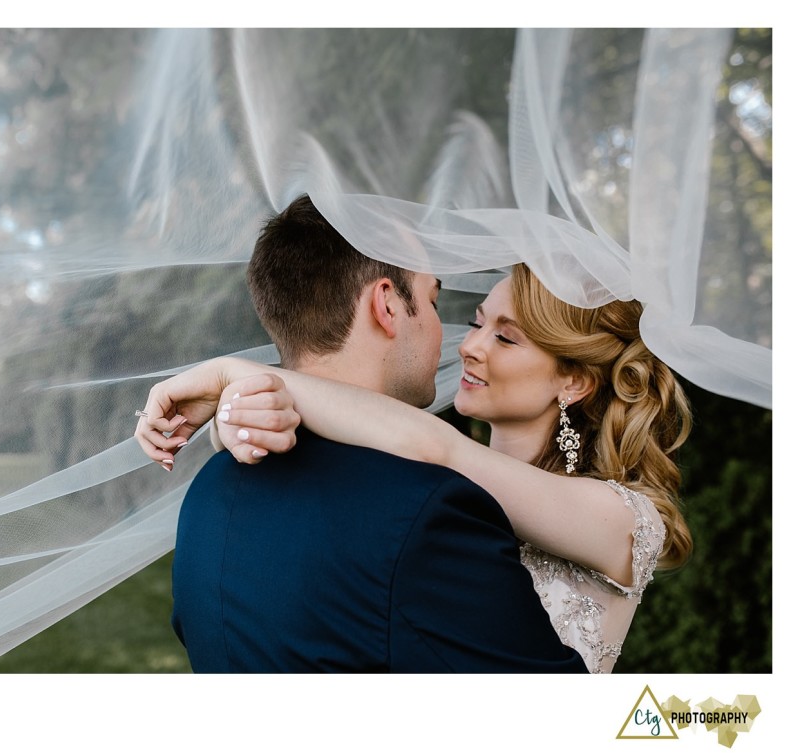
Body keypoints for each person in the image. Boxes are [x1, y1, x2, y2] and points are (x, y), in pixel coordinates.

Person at [137, 200, 692, 674]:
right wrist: (244, 416)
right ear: (385, 303)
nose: (470, 346)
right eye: (476, 322)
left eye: (508, 338)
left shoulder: (623, 520)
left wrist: (241, 379)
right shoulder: (425, 489)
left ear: (573, 379)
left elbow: (435, 447)